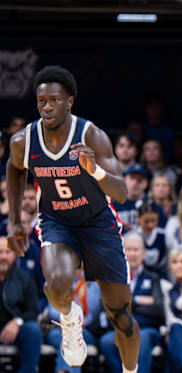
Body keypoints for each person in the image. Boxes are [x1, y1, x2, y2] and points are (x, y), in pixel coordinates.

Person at [5, 66, 140, 372]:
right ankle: (69, 318)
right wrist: (15, 219)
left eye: (54, 100)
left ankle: (130, 371)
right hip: (57, 221)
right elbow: (15, 168)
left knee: (122, 317)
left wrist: (94, 170)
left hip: (97, 223)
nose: (47, 107)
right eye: (41, 102)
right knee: (54, 284)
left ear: (70, 102)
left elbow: (120, 193)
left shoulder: (92, 135)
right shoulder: (24, 140)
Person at [99, 235, 164, 373]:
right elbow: (109, 307)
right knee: (106, 341)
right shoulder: (115, 278)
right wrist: (139, 301)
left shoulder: (153, 278)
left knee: (142, 337)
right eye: (129, 249)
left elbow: (158, 308)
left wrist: (128, 303)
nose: (133, 253)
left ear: (143, 253)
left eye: (136, 250)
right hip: (121, 329)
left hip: (146, 328)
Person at [45, 269, 102, 373]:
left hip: (85, 332)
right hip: (59, 330)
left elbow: (93, 315)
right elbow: (52, 311)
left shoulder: (94, 286)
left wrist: (77, 322)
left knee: (72, 336)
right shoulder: (60, 283)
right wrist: (69, 319)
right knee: (62, 336)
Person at [0, 236, 42, 373]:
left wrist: (17, 322)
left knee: (33, 329)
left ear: (14, 255)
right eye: (0, 252)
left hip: (16, 331)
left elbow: (32, 311)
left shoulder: (25, 279)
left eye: (7, 252)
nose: (3, 257)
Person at [113, 163, 166, 232]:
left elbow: (160, 234)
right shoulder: (113, 206)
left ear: (146, 183)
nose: (135, 183)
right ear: (124, 179)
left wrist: (141, 230)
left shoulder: (155, 207)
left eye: (140, 180)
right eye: (132, 178)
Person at [122, 202, 168, 279]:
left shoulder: (163, 236)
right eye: (146, 221)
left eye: (153, 220)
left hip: (160, 277)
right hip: (137, 277)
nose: (150, 225)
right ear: (138, 218)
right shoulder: (129, 237)